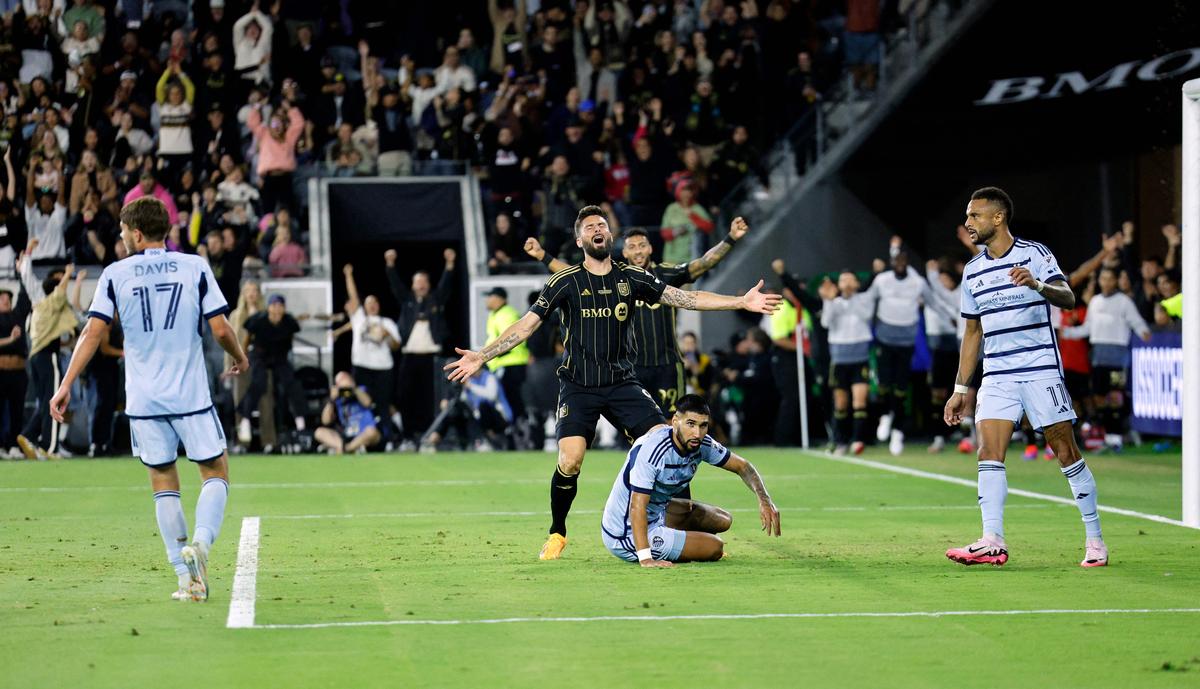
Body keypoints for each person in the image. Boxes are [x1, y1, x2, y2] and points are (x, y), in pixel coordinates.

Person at [444, 205, 781, 561]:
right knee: (571, 460)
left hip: (623, 384)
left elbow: (686, 298)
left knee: (670, 442)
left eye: (602, 224)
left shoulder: (631, 277)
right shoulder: (565, 281)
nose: (597, 229)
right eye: (590, 227)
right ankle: (557, 532)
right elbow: (526, 326)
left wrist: (741, 301)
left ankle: (672, 520)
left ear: (610, 236)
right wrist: (482, 355)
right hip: (578, 385)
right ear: (580, 239)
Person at [48, 196, 250, 602]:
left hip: (144, 398)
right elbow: (221, 327)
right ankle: (203, 545)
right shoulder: (194, 266)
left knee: (163, 481)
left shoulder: (114, 274)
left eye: (123, 232)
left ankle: (185, 578)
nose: (122, 239)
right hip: (189, 392)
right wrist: (239, 355)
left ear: (137, 233)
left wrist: (66, 382)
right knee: (215, 471)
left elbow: (92, 332)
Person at [944, 187, 1108, 568]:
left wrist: (1036, 284)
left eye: (975, 215)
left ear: (998, 218)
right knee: (989, 451)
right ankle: (992, 540)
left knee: (1065, 452)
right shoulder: (973, 271)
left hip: (1039, 371)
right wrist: (960, 389)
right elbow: (973, 333)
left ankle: (1095, 538)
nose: (968, 223)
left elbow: (1068, 297)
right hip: (998, 374)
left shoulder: (1035, 255)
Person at [527, 217, 749, 417]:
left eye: (642, 245)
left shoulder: (665, 275)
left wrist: (730, 238)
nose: (638, 251)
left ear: (650, 248)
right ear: (625, 252)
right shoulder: (615, 278)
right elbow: (573, 276)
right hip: (631, 369)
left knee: (673, 425)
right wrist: (543, 256)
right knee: (640, 431)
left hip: (667, 365)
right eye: (632, 247)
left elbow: (704, 263)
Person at [601, 394, 781, 566]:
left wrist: (764, 500)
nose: (697, 433)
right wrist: (646, 558)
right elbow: (637, 506)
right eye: (691, 424)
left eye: (703, 426)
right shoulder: (653, 451)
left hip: (657, 513)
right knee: (715, 548)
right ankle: (673, 545)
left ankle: (682, 542)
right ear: (675, 422)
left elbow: (743, 467)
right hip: (626, 533)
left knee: (723, 520)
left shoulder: (702, 444)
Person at [865, 242, 953, 455]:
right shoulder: (882, 280)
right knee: (885, 384)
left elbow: (933, 303)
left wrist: (952, 318)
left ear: (907, 262)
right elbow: (866, 302)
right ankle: (886, 416)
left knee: (901, 387)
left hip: (906, 340)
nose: (900, 263)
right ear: (892, 262)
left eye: (904, 260)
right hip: (885, 338)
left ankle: (898, 432)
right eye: (897, 260)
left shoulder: (917, 282)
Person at [1062, 267, 1151, 450]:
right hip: (1098, 356)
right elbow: (1088, 328)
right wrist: (1069, 332)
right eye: (1103, 278)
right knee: (1100, 397)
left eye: (1110, 278)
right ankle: (1108, 436)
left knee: (1115, 397)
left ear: (1116, 281)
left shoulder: (1124, 302)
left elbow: (1136, 321)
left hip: (1117, 356)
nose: (1106, 282)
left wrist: (1145, 333)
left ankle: (1117, 437)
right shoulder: (1095, 301)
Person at [386, 247, 457, 446]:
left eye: (424, 282)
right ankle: (408, 435)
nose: (421, 285)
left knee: (431, 398)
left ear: (428, 285)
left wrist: (450, 265)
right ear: (413, 285)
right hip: (410, 356)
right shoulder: (407, 301)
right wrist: (390, 265)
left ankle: (429, 435)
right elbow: (396, 286)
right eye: (417, 282)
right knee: (405, 396)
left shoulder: (436, 300)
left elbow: (445, 286)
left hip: (432, 357)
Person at [16, 264, 76, 459]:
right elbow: (59, 292)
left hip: (35, 358)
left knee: (44, 402)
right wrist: (68, 273)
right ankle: (50, 447)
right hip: (48, 357)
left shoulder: (37, 309)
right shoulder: (50, 303)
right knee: (55, 400)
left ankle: (28, 435)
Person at [236, 294, 309, 447]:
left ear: (283, 308)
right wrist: (242, 356)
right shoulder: (258, 320)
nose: (276, 309)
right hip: (260, 356)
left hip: (279, 357)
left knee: (292, 383)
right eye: (273, 305)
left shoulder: (289, 322)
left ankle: (300, 422)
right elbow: (248, 337)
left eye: (279, 306)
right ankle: (245, 420)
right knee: (259, 382)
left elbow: (290, 336)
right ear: (268, 307)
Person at [820, 270, 873, 455]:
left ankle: (858, 440)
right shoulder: (834, 302)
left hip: (860, 356)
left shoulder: (863, 299)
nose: (847, 282)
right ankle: (839, 441)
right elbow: (826, 322)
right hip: (840, 357)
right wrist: (829, 300)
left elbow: (865, 315)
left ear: (857, 283)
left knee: (860, 400)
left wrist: (852, 298)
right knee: (841, 403)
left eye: (850, 279)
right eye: (843, 280)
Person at [343, 263, 400, 430]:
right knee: (362, 402)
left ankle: (388, 438)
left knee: (383, 404)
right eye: (368, 302)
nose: (372, 305)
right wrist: (348, 275)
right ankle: (363, 436)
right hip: (362, 367)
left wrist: (387, 335)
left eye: (375, 302)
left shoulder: (388, 322)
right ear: (364, 306)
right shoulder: (359, 318)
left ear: (379, 305)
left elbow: (396, 346)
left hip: (383, 368)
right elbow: (353, 297)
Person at [483, 287, 529, 444]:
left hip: (511, 364)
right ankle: (516, 432)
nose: (487, 300)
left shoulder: (506, 314)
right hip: (503, 365)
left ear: (500, 298)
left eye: (490, 296)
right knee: (509, 402)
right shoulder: (496, 314)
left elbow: (509, 341)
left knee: (513, 402)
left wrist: (487, 355)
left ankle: (521, 433)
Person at [315, 371, 382, 455]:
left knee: (372, 432)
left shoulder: (361, 390)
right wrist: (332, 400)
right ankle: (341, 446)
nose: (346, 392)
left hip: (363, 434)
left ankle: (346, 449)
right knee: (319, 432)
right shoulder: (337, 399)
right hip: (346, 435)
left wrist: (353, 389)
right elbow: (325, 421)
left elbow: (367, 402)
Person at [0, 287, 30, 455]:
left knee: (17, 410)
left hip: (18, 372)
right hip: (1, 372)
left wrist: (21, 271)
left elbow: (24, 299)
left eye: (7, 297)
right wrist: (10, 339)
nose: (5, 300)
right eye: (2, 297)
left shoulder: (17, 317)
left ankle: (14, 445)